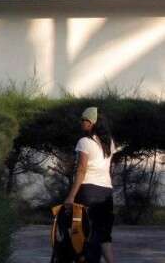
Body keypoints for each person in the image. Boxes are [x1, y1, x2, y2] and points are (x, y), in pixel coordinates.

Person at [64, 107, 117, 263]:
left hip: (88, 191)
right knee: (104, 234)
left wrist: (71, 196)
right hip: (106, 192)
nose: (81, 122)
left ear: (92, 122)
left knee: (82, 232)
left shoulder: (84, 142)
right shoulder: (110, 143)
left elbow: (81, 170)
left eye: (84, 120)